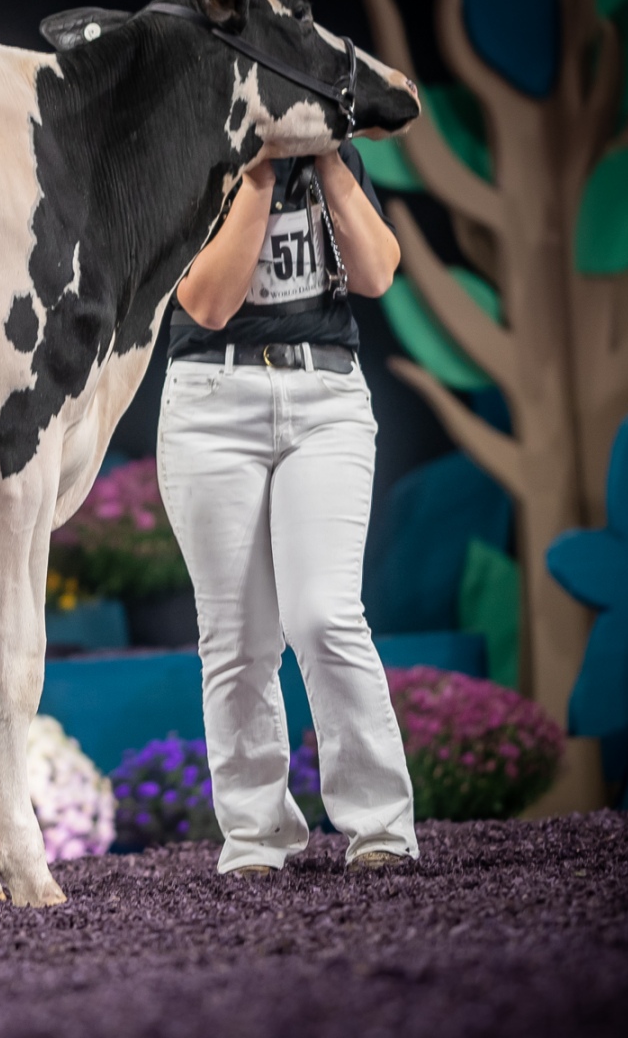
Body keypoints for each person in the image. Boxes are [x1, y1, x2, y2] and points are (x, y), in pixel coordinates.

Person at [158, 142, 417, 875]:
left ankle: (381, 829)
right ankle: (255, 837)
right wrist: (260, 173)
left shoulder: (335, 157)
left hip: (326, 396)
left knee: (325, 614)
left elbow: (377, 272)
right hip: (212, 401)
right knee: (236, 637)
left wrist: (328, 159)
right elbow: (208, 303)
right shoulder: (193, 153)